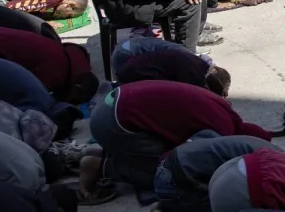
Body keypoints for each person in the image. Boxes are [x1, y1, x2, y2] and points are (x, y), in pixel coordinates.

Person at [80, 79, 271, 196]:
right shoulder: (218, 134)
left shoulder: (224, 110)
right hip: (114, 122)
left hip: (114, 101)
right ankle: (100, 167)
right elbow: (175, 160)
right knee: (166, 175)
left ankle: (104, 152)